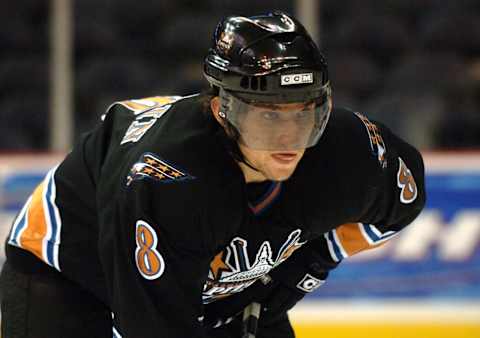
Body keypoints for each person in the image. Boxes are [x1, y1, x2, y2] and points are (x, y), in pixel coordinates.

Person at [0, 11, 425, 338]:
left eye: (304, 116)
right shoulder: (168, 180)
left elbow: (405, 199)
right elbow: (153, 326)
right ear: (224, 111)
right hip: (70, 273)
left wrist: (311, 263)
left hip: (214, 285)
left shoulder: (345, 152)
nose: (289, 140)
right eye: (267, 119)